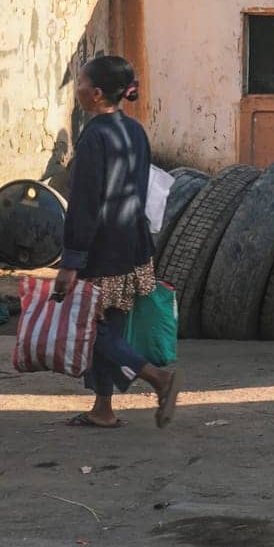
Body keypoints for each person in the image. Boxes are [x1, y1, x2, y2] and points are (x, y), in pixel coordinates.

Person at [55, 55, 181, 429]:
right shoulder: (134, 131)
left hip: (103, 251)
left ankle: (160, 378)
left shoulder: (95, 136)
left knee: (95, 333)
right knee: (111, 325)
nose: (76, 89)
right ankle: (103, 410)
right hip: (134, 247)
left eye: (79, 83)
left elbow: (85, 205)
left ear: (95, 94)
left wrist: (71, 261)